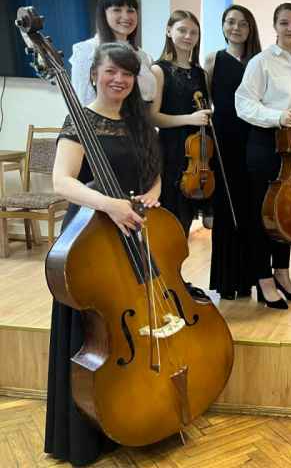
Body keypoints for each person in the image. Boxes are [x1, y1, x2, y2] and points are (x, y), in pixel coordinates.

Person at [46, 42, 162, 466]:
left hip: (133, 230)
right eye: (112, 71)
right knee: (92, 330)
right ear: (94, 73)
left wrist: (149, 197)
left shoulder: (138, 123)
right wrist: (111, 204)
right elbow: (62, 181)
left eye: (127, 74)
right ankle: (85, 433)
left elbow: (154, 177)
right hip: (90, 237)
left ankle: (137, 410)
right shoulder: (79, 120)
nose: (119, 80)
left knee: (132, 317)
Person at [235, 2, 291, 309]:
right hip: (266, 143)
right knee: (263, 213)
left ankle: (282, 272)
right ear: (275, 26)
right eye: (284, 22)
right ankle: (264, 278)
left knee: (287, 211)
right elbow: (243, 103)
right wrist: (277, 116)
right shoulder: (262, 61)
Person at [203, 4, 261, 299]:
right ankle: (226, 281)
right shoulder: (213, 59)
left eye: (242, 23)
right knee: (227, 210)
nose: (236, 28)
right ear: (223, 25)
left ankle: (251, 279)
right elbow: (207, 101)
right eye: (230, 22)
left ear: (251, 29)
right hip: (224, 142)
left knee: (252, 210)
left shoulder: (258, 61)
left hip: (253, 139)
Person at [149, 10, 211, 234]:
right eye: (182, 30)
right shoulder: (159, 70)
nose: (188, 36)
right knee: (172, 219)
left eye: (193, 32)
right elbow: (153, 116)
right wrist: (189, 118)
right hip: (172, 151)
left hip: (199, 153)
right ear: (169, 31)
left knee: (189, 219)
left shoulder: (200, 73)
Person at [69, 0, 156, 105]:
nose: (126, 16)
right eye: (117, 10)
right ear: (103, 14)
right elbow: (82, 100)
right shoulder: (87, 50)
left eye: (131, 11)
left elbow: (150, 98)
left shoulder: (143, 56)